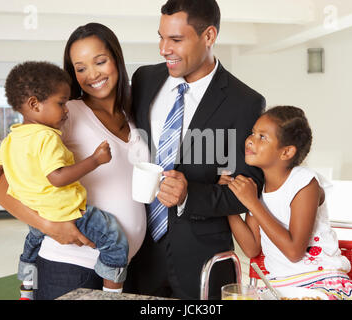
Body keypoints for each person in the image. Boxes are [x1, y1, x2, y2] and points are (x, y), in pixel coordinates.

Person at [0, 23, 149, 300]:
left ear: (116, 59)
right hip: (69, 265)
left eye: (100, 61)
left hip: (122, 268)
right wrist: (51, 227)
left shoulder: (132, 114)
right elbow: (3, 190)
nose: (92, 75)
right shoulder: (67, 114)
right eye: (80, 68)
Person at [123, 0, 265, 299]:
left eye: (175, 39)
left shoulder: (244, 102)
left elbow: (248, 189)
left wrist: (190, 195)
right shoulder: (145, 79)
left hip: (201, 258)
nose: (164, 48)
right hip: (140, 250)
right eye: (160, 37)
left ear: (209, 36)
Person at [220, 106, 352, 300]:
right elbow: (252, 248)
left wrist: (252, 202)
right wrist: (229, 201)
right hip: (279, 287)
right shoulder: (258, 189)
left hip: (321, 282)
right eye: (253, 133)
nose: (250, 140)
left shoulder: (304, 183)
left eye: (262, 137)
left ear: (286, 152)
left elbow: (294, 251)